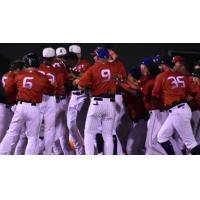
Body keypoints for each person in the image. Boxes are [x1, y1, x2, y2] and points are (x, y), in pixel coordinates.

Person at [0, 53, 53, 155]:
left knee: (12, 132)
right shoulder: (42, 77)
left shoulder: (19, 75)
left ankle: (2, 153)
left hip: (20, 106)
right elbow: (50, 89)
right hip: (34, 108)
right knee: (33, 137)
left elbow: (9, 88)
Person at [152, 58, 200, 154]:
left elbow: (154, 95)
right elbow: (192, 93)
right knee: (162, 137)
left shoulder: (161, 76)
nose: (159, 67)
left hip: (178, 111)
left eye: (160, 65)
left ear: (165, 65)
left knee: (190, 143)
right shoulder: (183, 76)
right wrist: (182, 100)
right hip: (181, 109)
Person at [77, 47, 116, 155]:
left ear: (98, 57)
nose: (94, 57)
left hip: (97, 103)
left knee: (89, 133)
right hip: (111, 103)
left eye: (95, 55)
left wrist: (89, 84)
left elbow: (80, 86)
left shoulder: (93, 68)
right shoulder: (114, 67)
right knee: (108, 135)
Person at [39, 47, 64, 154]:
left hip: (38, 98)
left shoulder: (38, 68)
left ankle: (36, 150)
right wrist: (57, 94)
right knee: (49, 128)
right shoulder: (56, 70)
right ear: (54, 58)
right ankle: (47, 152)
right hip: (51, 99)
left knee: (37, 126)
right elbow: (60, 88)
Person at [67, 45, 90, 155]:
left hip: (83, 96)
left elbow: (88, 77)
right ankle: (80, 149)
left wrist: (77, 77)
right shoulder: (68, 65)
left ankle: (91, 148)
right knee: (70, 125)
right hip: (73, 96)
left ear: (79, 54)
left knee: (83, 124)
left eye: (75, 54)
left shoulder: (85, 64)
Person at [0, 60, 24, 143]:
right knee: (2, 133)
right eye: (22, 69)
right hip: (4, 107)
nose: (23, 71)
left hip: (8, 107)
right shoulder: (11, 77)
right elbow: (7, 91)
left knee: (11, 132)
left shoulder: (8, 75)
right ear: (17, 69)